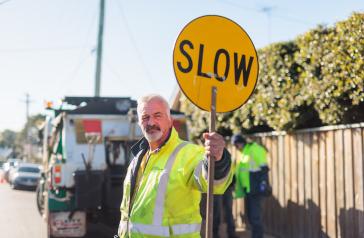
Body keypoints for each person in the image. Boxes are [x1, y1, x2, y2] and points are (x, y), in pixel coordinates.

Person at [117, 94, 233, 237]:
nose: (151, 122)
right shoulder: (138, 158)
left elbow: (213, 183)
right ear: (140, 123)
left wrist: (218, 159)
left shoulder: (189, 153)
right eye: (145, 117)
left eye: (157, 115)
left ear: (170, 120)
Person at [231, 134, 270, 238]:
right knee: (251, 217)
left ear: (240, 143)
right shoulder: (243, 153)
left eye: (236, 145)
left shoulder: (254, 149)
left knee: (255, 217)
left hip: (256, 189)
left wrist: (263, 183)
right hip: (248, 190)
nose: (236, 148)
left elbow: (264, 168)